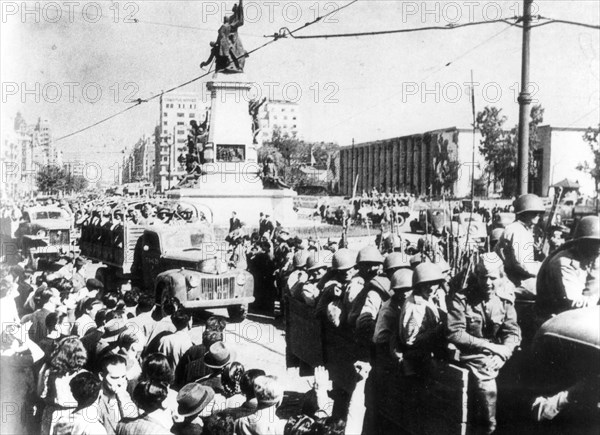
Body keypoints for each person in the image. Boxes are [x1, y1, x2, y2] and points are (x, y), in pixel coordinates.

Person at [446, 253, 521, 435]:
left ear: (501, 278)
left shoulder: (504, 301)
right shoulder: (461, 300)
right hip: (470, 354)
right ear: (476, 276)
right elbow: (455, 333)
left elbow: (512, 332)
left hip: (497, 355)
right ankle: (488, 429)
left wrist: (503, 353)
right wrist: (491, 348)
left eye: (493, 278)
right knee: (486, 385)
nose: (488, 283)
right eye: (483, 277)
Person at [536, 215, 600, 320]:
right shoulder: (564, 262)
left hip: (582, 315)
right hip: (557, 319)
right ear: (581, 242)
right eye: (594, 243)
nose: (598, 247)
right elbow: (575, 305)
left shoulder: (592, 258)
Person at [397, 263, 446, 376]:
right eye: (426, 284)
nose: (431, 288)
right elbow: (410, 340)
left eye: (434, 283)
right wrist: (439, 329)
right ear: (418, 285)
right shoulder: (416, 306)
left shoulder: (425, 298)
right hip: (417, 362)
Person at [495, 193, 545, 297]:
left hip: (513, 276)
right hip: (512, 280)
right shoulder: (518, 231)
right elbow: (524, 266)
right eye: (534, 212)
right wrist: (543, 266)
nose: (538, 215)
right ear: (524, 213)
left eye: (539, 213)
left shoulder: (519, 229)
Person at [38, 336, 89, 435]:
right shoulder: (84, 374)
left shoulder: (51, 373)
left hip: (54, 414)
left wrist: (41, 373)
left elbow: (41, 394)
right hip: (77, 415)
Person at [97, 354, 139, 434]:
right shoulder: (94, 400)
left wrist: (123, 398)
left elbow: (133, 426)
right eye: (115, 378)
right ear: (101, 376)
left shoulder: (125, 394)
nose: (120, 382)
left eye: (123, 377)